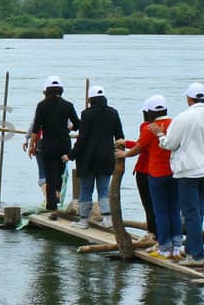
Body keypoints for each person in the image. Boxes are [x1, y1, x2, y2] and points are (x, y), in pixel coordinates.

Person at [158, 82, 204, 266]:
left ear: (189, 98)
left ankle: (196, 254)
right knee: (198, 211)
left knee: (190, 213)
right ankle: (195, 248)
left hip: (188, 171)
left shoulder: (183, 118)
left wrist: (160, 135)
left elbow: (169, 144)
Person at [117, 95, 178, 257]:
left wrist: (124, 153)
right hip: (173, 171)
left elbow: (141, 147)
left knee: (156, 208)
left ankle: (160, 240)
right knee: (172, 209)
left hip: (152, 172)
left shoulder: (148, 127)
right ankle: (174, 243)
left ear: (148, 113)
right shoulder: (174, 124)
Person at [70, 86, 124, 227]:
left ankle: (83, 220)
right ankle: (107, 219)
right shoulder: (113, 113)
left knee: (86, 189)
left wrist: (71, 155)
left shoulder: (86, 114)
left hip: (88, 159)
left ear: (90, 99)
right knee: (104, 190)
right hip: (107, 157)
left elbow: (82, 139)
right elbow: (120, 136)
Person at [27, 77, 79, 210]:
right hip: (64, 144)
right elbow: (78, 124)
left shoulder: (42, 105)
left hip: (48, 145)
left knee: (50, 174)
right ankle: (57, 194)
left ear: (47, 91)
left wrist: (31, 144)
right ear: (61, 90)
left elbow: (36, 128)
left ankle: (51, 206)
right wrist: (69, 128)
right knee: (60, 172)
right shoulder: (68, 105)